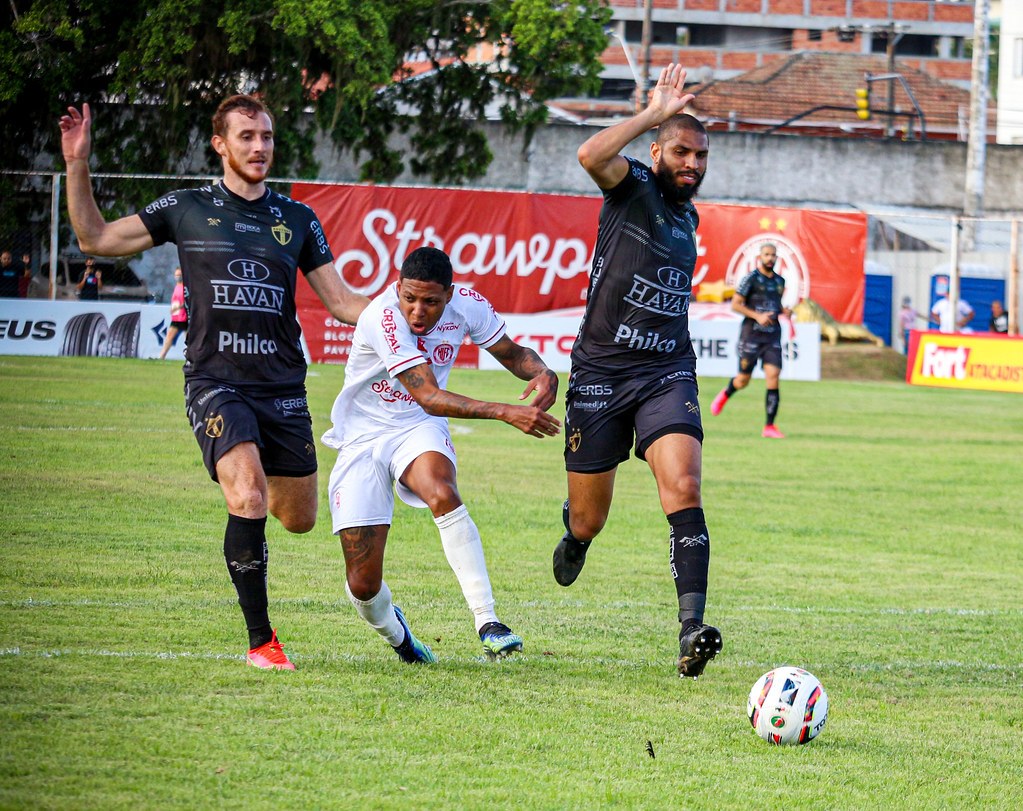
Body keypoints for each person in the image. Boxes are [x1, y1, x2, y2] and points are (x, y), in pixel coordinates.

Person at [59, 95, 369, 670]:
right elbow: (96, 240)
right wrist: (78, 162)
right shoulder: (186, 207)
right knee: (247, 495)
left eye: (268, 137)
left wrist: (409, 313)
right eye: (247, 136)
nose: (259, 147)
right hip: (215, 382)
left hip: (282, 388)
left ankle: (248, 489)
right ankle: (262, 642)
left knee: (297, 517)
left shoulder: (296, 219)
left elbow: (344, 302)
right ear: (220, 144)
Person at [552, 63, 722, 680]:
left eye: (702, 155)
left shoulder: (689, 217)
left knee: (685, 488)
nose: (693, 164)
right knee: (589, 516)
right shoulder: (632, 186)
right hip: (599, 375)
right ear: (656, 151)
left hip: (666, 373)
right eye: (681, 151)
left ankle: (690, 629)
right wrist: (652, 111)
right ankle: (576, 535)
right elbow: (588, 152)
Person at [323, 246, 561, 664]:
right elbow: (430, 394)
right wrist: (506, 411)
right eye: (409, 298)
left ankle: (488, 622)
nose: (417, 311)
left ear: (449, 295)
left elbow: (511, 353)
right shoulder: (382, 317)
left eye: (430, 301)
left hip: (416, 426)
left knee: (441, 490)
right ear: (397, 289)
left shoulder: (468, 307)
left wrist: (543, 371)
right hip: (362, 437)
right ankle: (400, 639)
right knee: (362, 583)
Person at [709, 242, 791, 438]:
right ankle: (727, 393)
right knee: (743, 379)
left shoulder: (780, 281)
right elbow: (736, 305)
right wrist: (757, 316)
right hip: (751, 335)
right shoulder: (750, 279)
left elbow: (775, 305)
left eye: (773, 255)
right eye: (766, 254)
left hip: (772, 336)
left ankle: (769, 426)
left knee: (773, 375)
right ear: (760, 257)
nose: (770, 258)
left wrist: (784, 311)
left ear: (776, 258)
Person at [158, 267, 187, 359]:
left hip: (184, 316)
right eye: (176, 275)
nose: (178, 277)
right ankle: (162, 356)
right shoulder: (177, 287)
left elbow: (187, 300)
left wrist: (178, 307)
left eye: (180, 275)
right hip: (177, 316)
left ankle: (192, 358)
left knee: (188, 338)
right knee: (170, 335)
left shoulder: (185, 287)